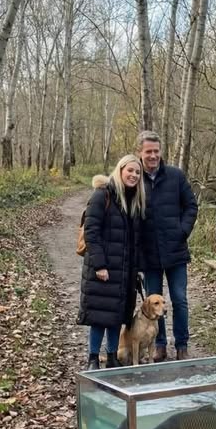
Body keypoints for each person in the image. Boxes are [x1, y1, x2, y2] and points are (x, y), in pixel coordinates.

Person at [78, 154, 145, 370]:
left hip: (124, 270)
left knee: (117, 316)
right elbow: (91, 231)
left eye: (137, 172)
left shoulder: (135, 200)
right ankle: (93, 358)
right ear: (120, 170)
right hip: (104, 267)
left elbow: (136, 240)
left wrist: (137, 268)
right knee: (100, 316)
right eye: (130, 170)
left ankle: (112, 356)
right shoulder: (102, 195)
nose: (134, 175)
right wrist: (99, 265)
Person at [136, 131, 198, 361]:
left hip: (175, 250)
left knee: (179, 300)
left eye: (156, 151)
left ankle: (182, 345)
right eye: (148, 152)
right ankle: (159, 344)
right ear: (140, 153)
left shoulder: (175, 176)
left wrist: (182, 231)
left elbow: (191, 206)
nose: (153, 156)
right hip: (149, 254)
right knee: (153, 303)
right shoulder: (135, 178)